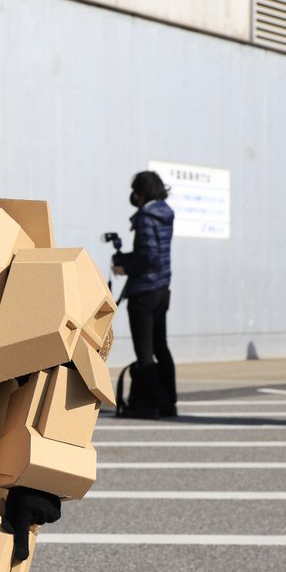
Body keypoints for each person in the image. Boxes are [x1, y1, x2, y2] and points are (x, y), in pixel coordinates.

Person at [112, 170, 177, 418]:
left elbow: (147, 256)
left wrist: (125, 266)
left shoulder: (145, 217)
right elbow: (156, 254)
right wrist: (128, 260)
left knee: (144, 351)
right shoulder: (165, 214)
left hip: (144, 292)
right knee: (161, 347)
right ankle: (169, 403)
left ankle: (151, 405)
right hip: (162, 289)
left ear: (141, 192)